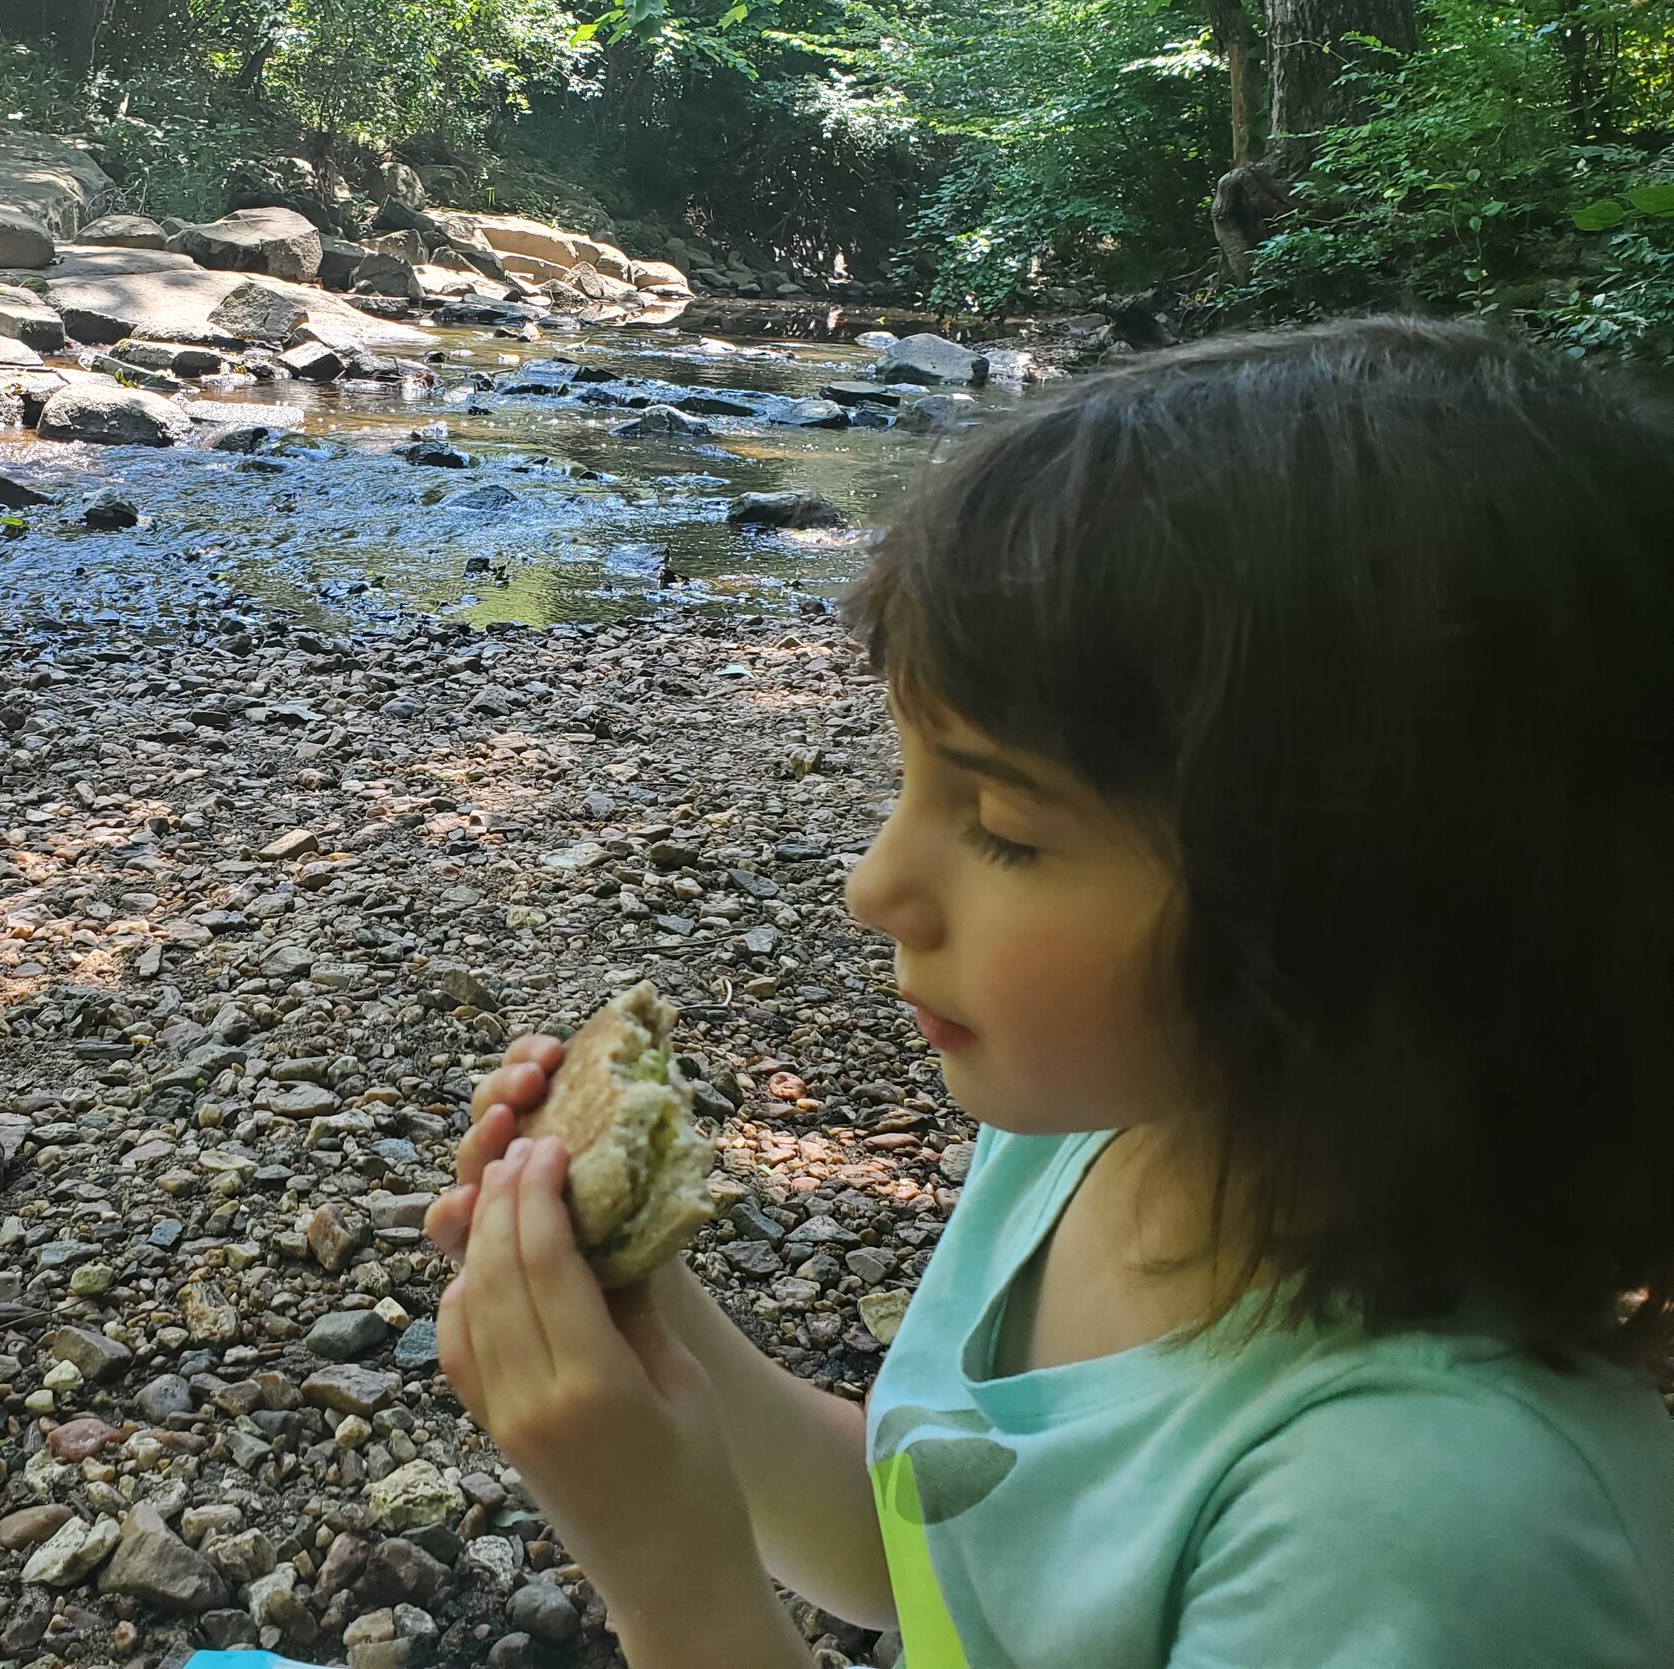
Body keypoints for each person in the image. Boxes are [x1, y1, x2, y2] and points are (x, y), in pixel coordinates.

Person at [424, 319, 1674, 1668]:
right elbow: (927, 1543)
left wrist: (672, 1587)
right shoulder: (1092, 1137)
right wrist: (651, 1322)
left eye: (1008, 825)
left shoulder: (1421, 1529)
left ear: (1363, 906)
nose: (873, 889)